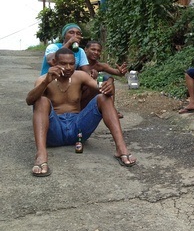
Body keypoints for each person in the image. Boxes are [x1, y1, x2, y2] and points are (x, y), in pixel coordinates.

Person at [26, 47, 136, 177]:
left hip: (77, 130)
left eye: (71, 64)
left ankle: (121, 148)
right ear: (54, 62)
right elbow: (30, 100)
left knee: (103, 98)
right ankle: (41, 155)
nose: (68, 67)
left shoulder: (80, 76)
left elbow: (101, 88)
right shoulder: (43, 79)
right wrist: (46, 82)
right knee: (41, 101)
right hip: (54, 131)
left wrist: (109, 85)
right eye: (63, 63)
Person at [84, 40, 128, 118]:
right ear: (86, 49)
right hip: (81, 93)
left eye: (98, 50)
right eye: (93, 49)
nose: (96, 52)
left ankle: (110, 108)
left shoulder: (100, 65)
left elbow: (117, 73)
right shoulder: (78, 63)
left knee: (108, 79)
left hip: (95, 88)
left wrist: (121, 71)